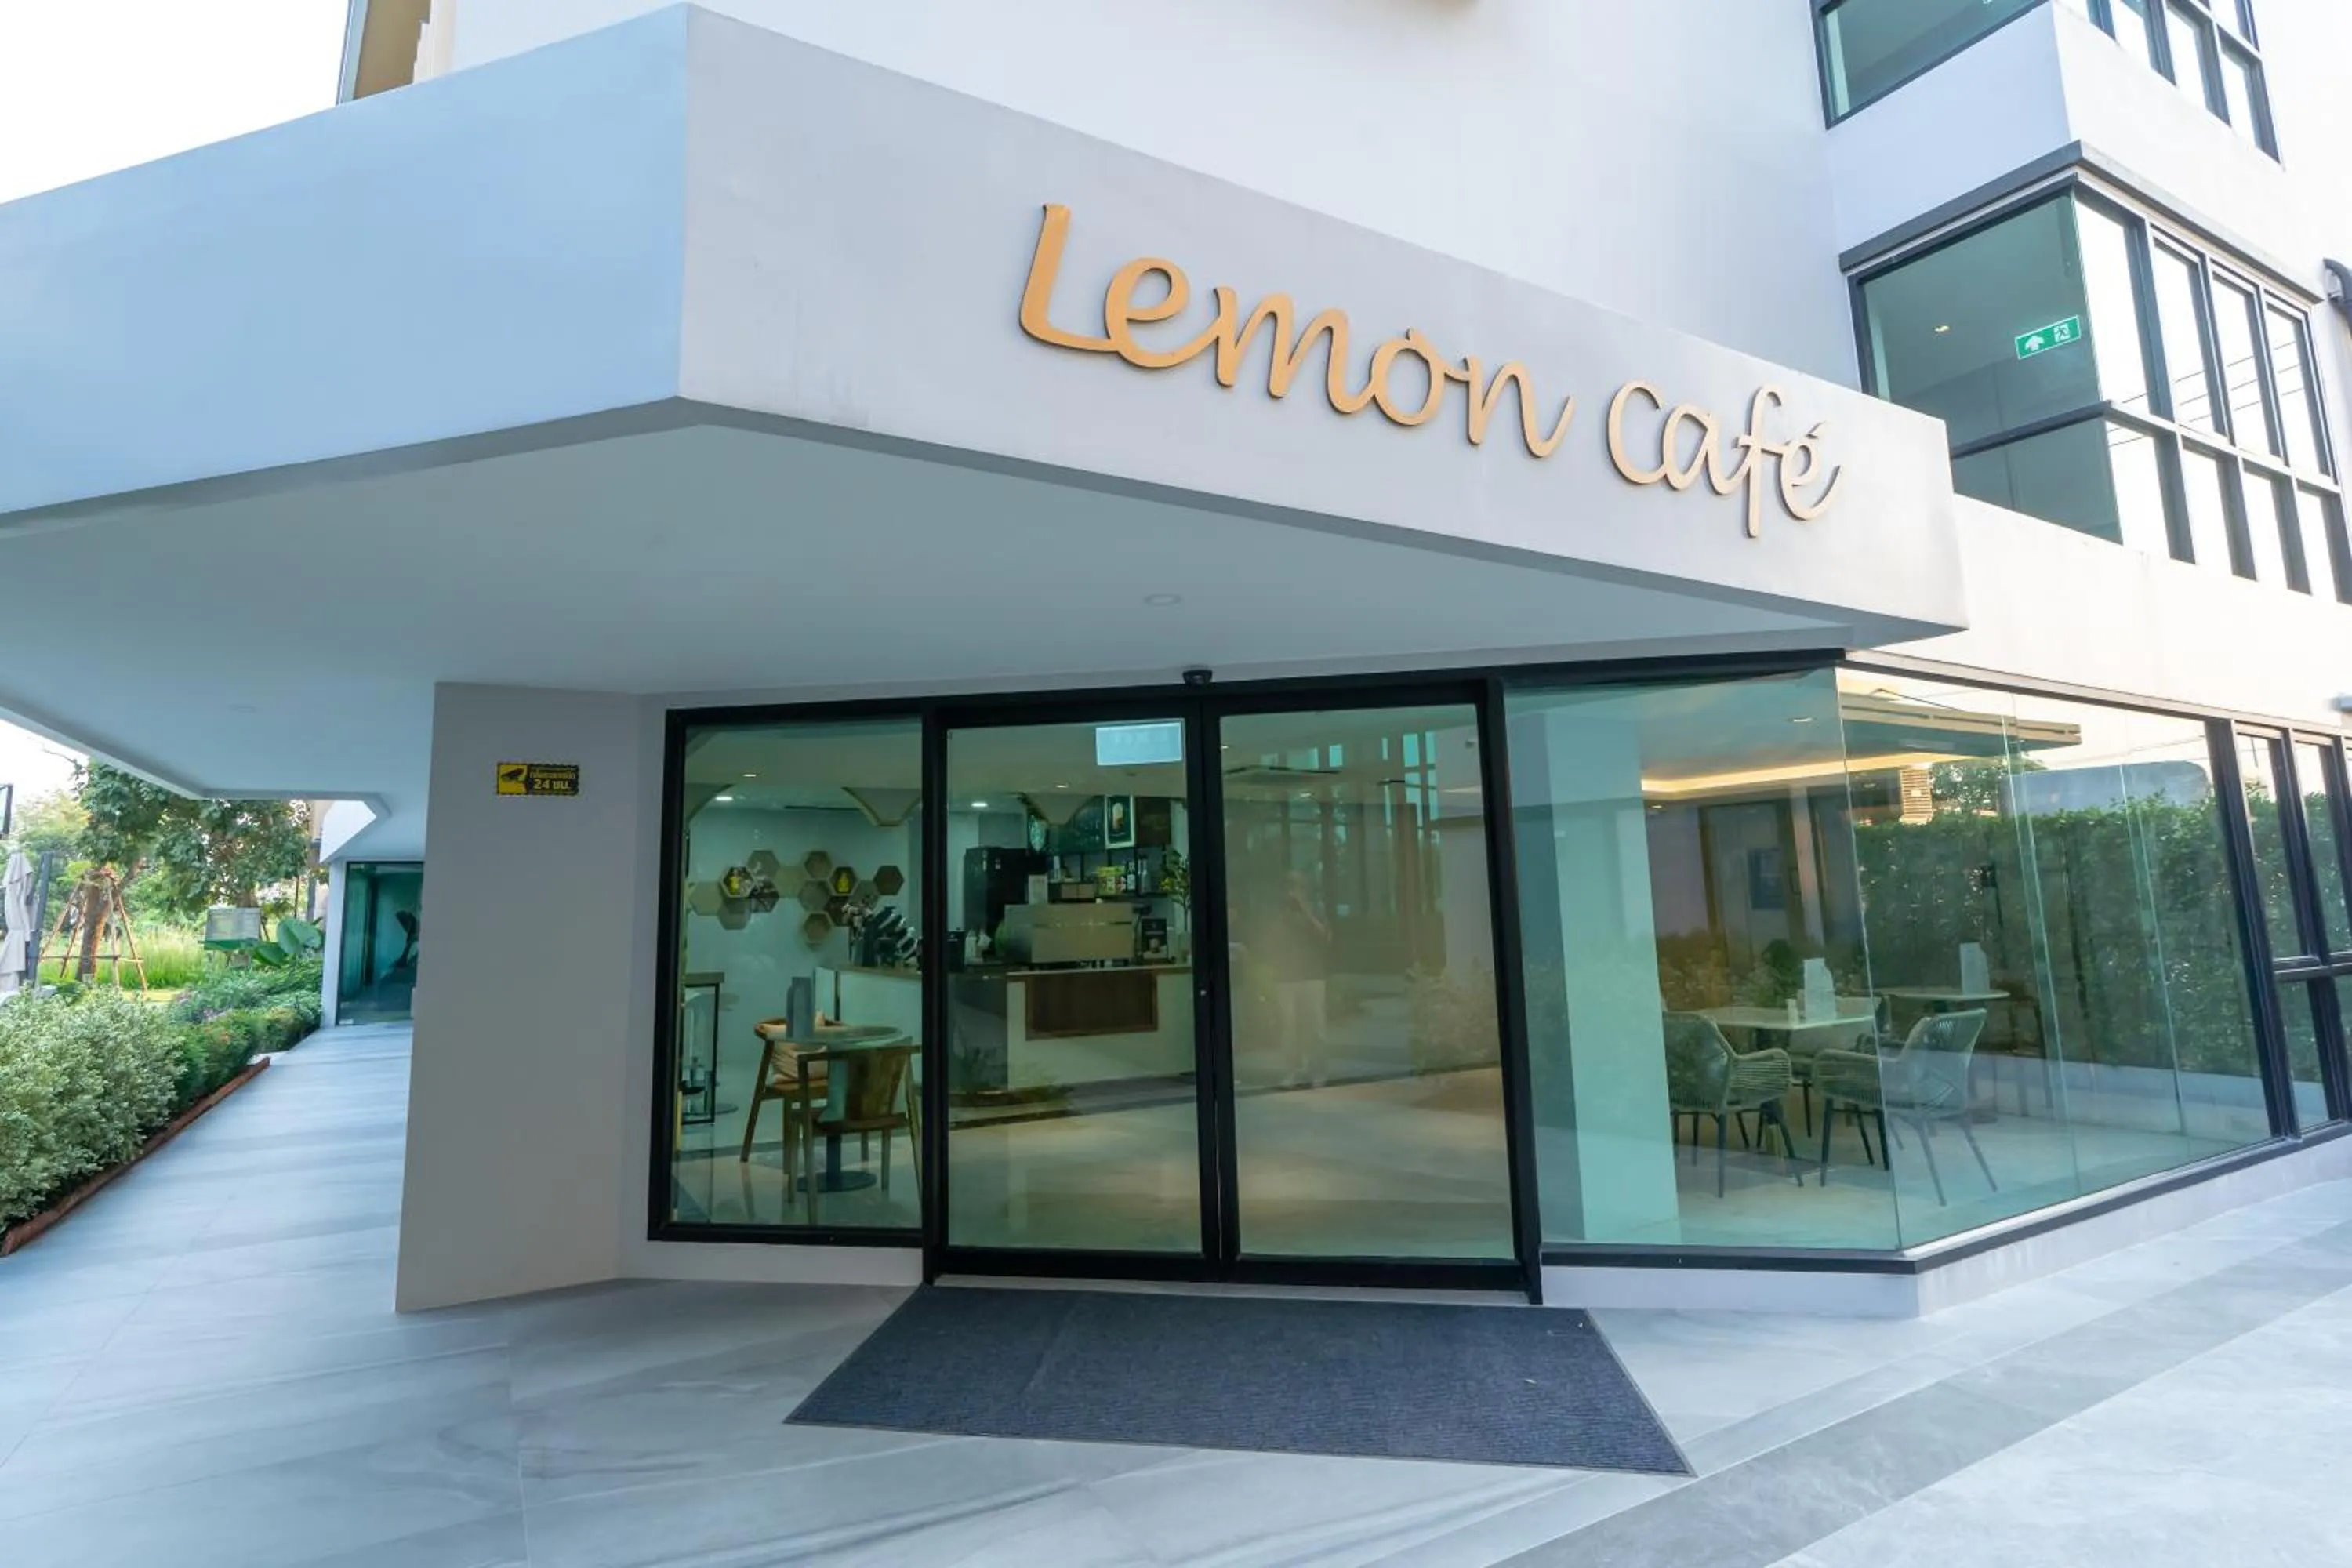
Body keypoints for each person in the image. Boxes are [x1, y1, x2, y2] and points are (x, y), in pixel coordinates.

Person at [1262, 869, 1330, 1089]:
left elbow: (1326, 936)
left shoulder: (1316, 908)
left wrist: (1307, 912)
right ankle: (1292, 1070)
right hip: (1286, 976)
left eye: (1298, 886)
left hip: (1312, 975)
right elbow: (1271, 940)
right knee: (1288, 1026)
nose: (1294, 890)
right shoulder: (1279, 912)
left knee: (1316, 1025)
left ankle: (1318, 1071)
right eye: (1290, 886)